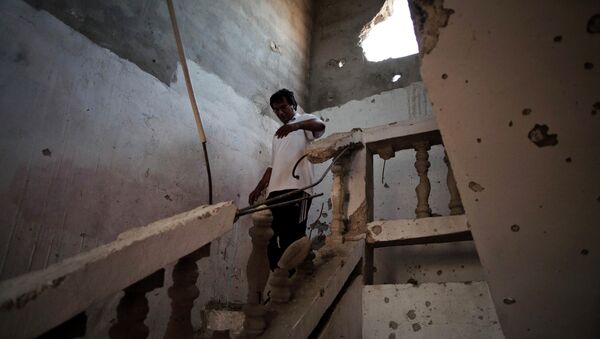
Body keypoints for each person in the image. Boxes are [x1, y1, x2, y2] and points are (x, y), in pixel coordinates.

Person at [249, 89, 326, 271]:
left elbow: (320, 125)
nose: (280, 112)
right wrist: (259, 187)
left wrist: (295, 126)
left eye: (283, 107)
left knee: (291, 238)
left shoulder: (302, 121)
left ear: (293, 105)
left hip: (298, 189)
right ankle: (281, 276)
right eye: (276, 110)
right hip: (275, 192)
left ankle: (289, 281)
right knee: (267, 236)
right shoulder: (277, 134)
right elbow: (272, 165)